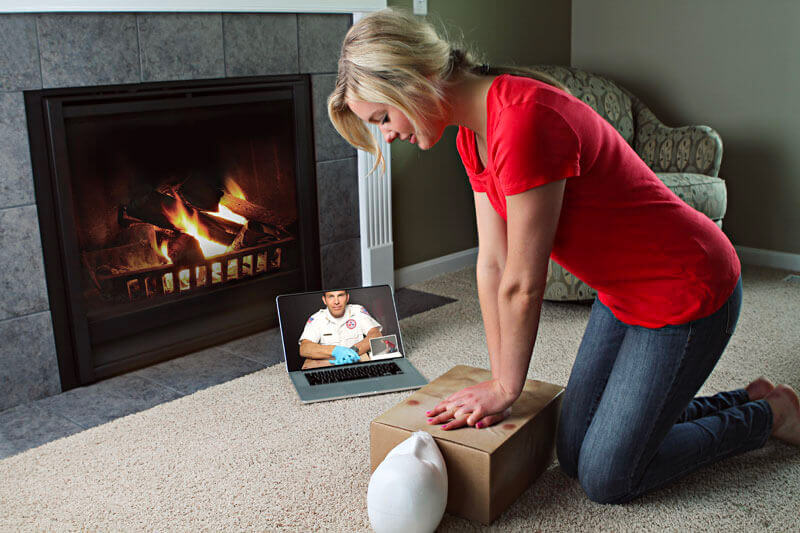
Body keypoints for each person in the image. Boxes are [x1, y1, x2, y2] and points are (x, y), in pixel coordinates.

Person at [327, 8, 800, 504]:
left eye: (382, 117)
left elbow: (523, 283)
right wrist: (495, 379)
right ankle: (747, 397)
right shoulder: (472, 134)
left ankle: (767, 417)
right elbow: (492, 265)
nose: (387, 133)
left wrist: (507, 388)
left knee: (607, 477)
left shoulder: (522, 120)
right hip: (621, 294)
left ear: (414, 80)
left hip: (688, 287)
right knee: (573, 452)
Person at [298, 289, 383, 369]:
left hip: (357, 363)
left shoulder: (357, 311)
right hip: (330, 366)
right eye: (331, 296)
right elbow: (304, 348)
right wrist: (334, 350)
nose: (336, 302)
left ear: (347, 297)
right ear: (324, 300)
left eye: (340, 295)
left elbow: (376, 334)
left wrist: (352, 352)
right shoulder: (317, 319)